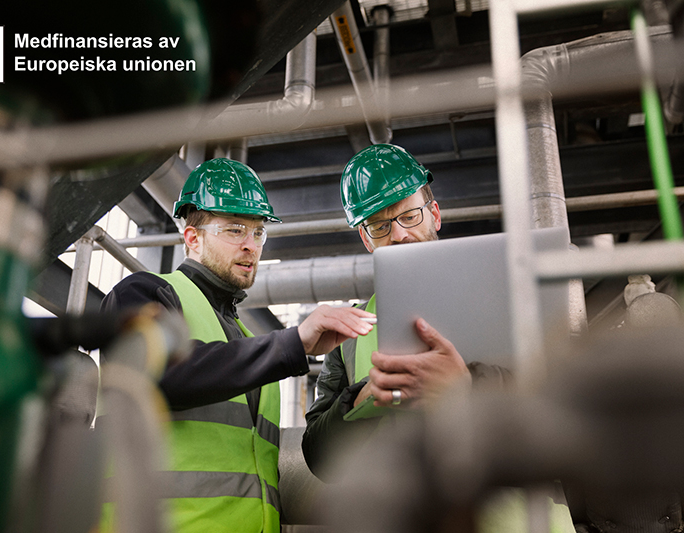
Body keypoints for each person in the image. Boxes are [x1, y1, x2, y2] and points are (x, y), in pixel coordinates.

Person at [100, 157, 375, 533]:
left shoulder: (249, 343)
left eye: (258, 232)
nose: (251, 246)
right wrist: (291, 344)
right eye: (234, 230)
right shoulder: (144, 292)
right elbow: (163, 375)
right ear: (192, 238)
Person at [301, 143, 512, 481]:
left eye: (409, 215)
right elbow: (318, 457)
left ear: (435, 215)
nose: (398, 235)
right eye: (379, 226)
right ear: (366, 239)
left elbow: (565, 408)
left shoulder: (509, 293)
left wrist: (467, 386)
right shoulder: (350, 332)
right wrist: (359, 401)